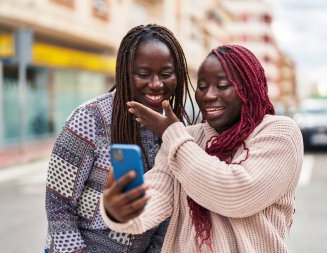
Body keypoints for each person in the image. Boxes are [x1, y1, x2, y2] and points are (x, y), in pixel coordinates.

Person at [100, 45, 304, 253]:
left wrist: (172, 133)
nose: (208, 96)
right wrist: (122, 211)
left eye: (222, 85)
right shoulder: (187, 137)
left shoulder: (280, 132)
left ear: (249, 88)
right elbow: (158, 193)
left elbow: (235, 193)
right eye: (203, 86)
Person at [44, 24, 195, 253]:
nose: (155, 84)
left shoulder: (175, 128)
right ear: (126, 72)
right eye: (143, 74)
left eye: (165, 74)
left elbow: (168, 213)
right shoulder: (90, 118)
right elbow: (58, 205)